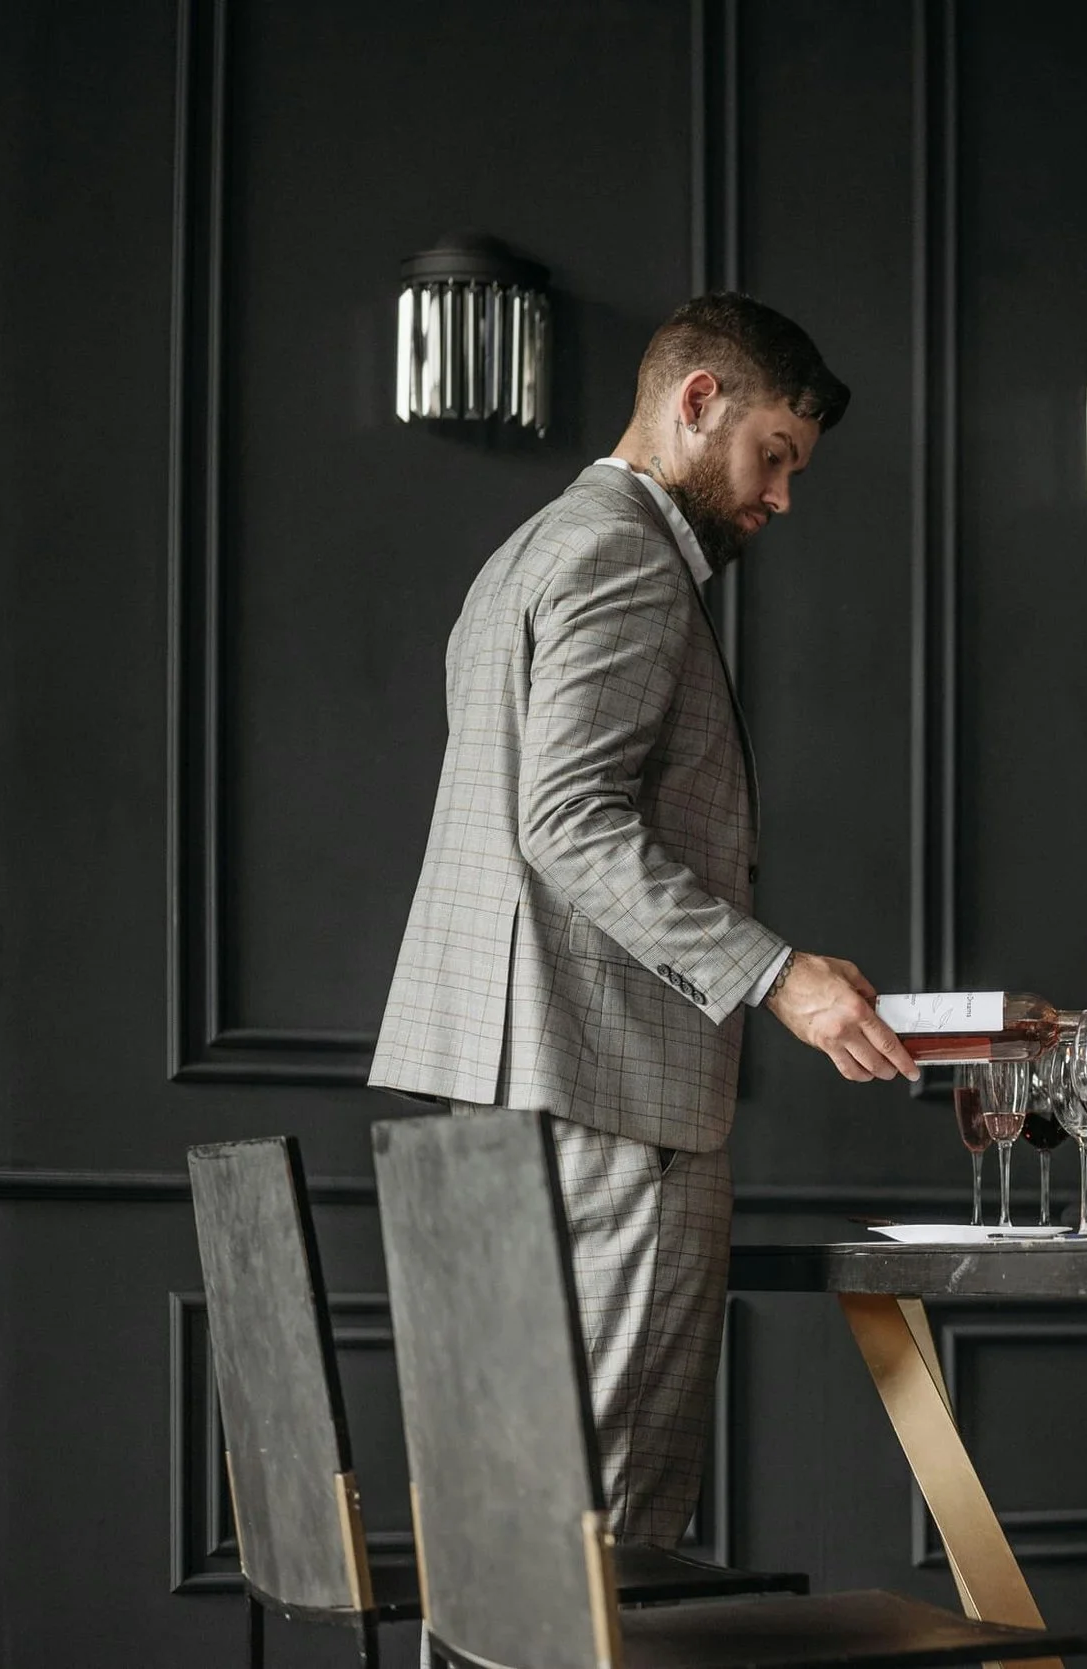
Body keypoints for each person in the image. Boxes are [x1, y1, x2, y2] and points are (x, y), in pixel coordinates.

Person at [370, 292, 919, 1546]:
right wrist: (777, 975)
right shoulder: (622, 553)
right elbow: (564, 820)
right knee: (604, 1537)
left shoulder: (524, 550)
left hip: (487, 1107)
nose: (781, 497)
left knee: (504, 1535)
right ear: (696, 402)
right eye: (773, 456)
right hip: (607, 1102)